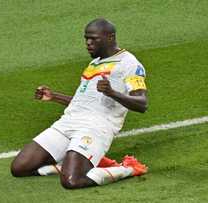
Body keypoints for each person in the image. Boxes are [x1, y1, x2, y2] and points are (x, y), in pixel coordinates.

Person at [10, 18, 148, 189]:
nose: (88, 43)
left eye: (93, 39)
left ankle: (128, 168)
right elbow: (82, 103)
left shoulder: (130, 64)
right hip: (68, 122)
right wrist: (53, 96)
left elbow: (142, 104)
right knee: (19, 168)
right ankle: (74, 163)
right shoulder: (93, 64)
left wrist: (112, 92)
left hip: (96, 127)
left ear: (110, 37)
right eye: (86, 38)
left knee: (72, 181)